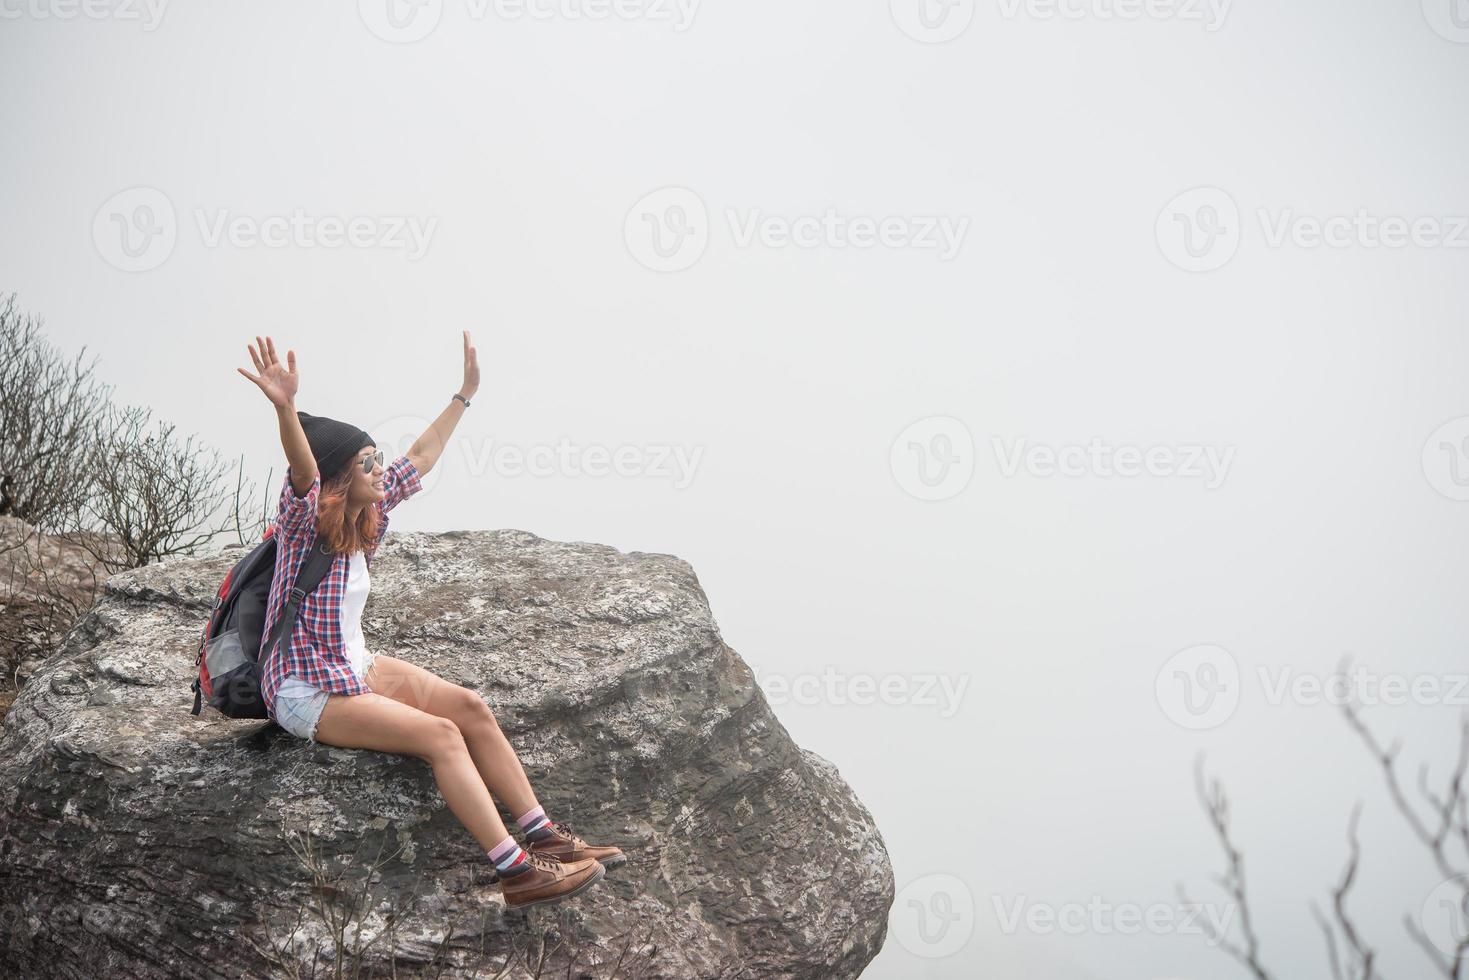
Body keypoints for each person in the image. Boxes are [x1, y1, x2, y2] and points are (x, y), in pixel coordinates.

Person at [237, 334, 624, 909]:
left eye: (374, 458)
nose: (378, 466)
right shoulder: (303, 525)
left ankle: (546, 837)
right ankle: (517, 871)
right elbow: (302, 471)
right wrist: (286, 409)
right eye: (366, 462)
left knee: (470, 708)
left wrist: (464, 394)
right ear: (338, 480)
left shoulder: (368, 509)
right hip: (303, 690)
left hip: (352, 669)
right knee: (442, 738)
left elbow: (419, 457)